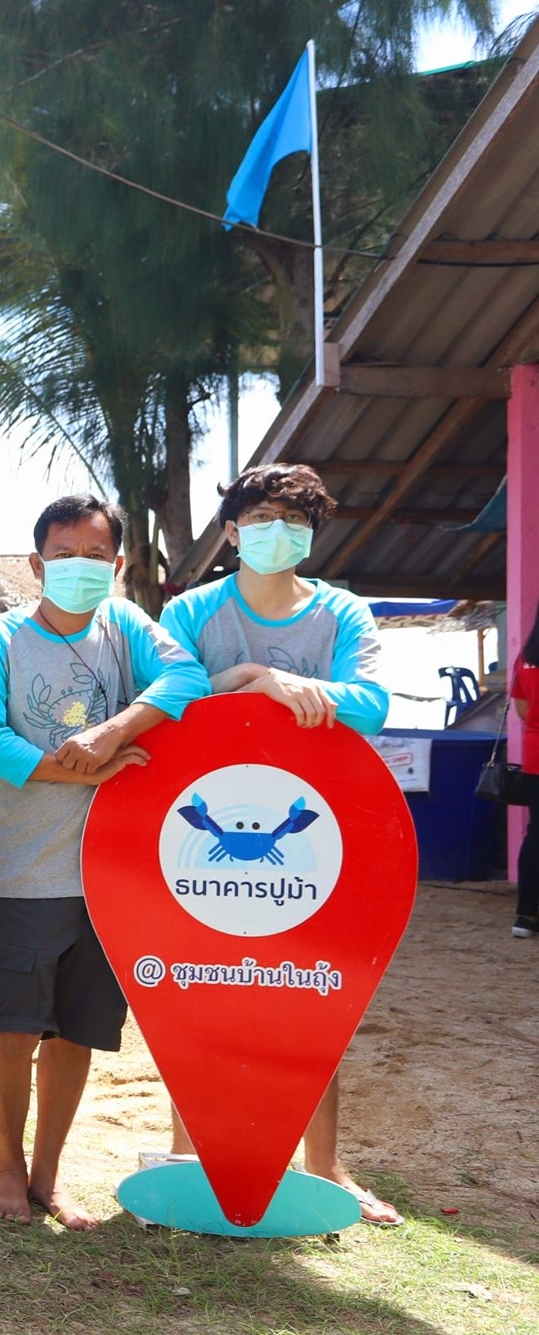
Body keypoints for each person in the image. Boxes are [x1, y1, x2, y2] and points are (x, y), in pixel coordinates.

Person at [159, 463, 401, 1225]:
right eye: (261, 518)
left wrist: (277, 686)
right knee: (194, 999)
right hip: (201, 843)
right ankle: (187, 1161)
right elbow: (162, 699)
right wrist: (251, 675)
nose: (277, 532)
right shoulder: (191, 611)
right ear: (233, 531)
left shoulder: (341, 613)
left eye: (295, 520)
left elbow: (371, 705)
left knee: (315, 997)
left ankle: (324, 1168)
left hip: (316, 841)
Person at [0, 493, 209, 1231]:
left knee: (77, 1033)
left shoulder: (125, 626)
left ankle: (47, 1175)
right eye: (63, 555)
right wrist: (83, 774)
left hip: (111, 876)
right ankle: (7, 1168)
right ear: (36, 565)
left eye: (94, 556)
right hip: (23, 870)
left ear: (117, 564)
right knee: (14, 1029)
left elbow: (189, 679)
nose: (78, 567)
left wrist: (115, 729)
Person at [514, 603, 539, 940]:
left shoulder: (526, 658)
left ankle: (526, 914)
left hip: (535, 756)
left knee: (536, 834)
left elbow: (523, 710)